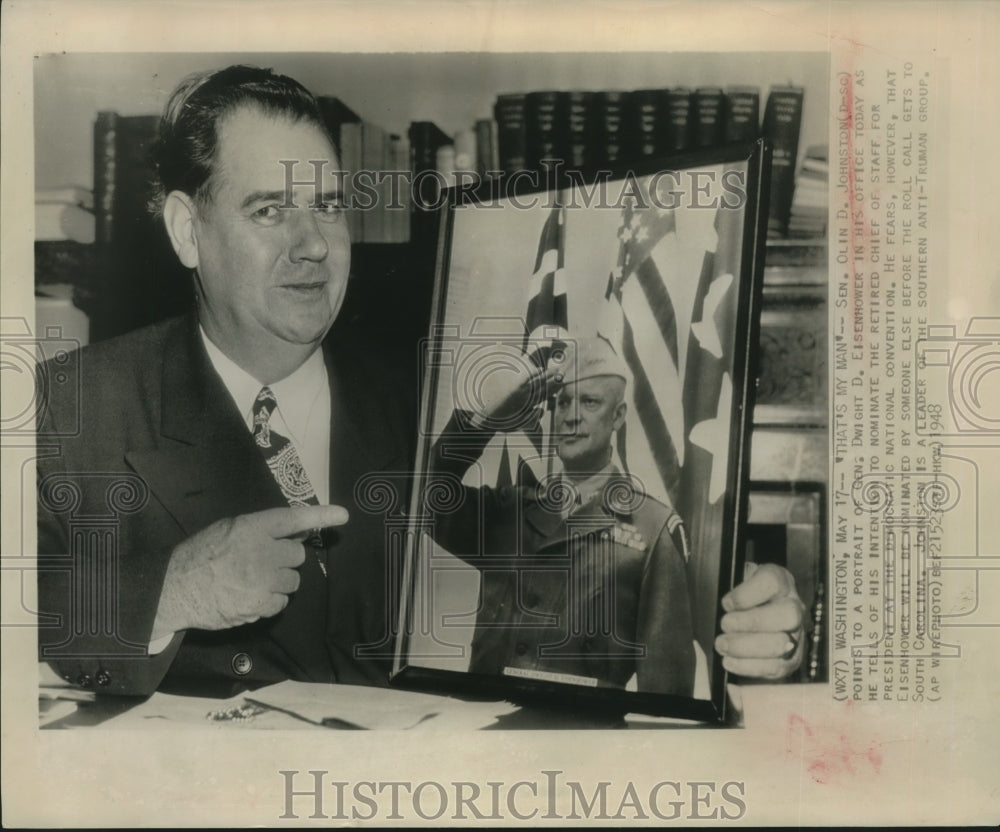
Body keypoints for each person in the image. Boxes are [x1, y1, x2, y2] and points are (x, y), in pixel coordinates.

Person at [36, 64, 804, 700]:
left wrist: (759, 630)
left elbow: (665, 638)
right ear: (185, 229)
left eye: (330, 207)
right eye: (270, 210)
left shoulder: (417, 396)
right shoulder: (71, 408)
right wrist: (173, 592)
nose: (312, 246)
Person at [428, 337, 696, 695]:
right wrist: (483, 419)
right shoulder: (512, 508)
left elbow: (667, 696)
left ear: (618, 416)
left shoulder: (653, 528)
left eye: (589, 402)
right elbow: (419, 500)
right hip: (483, 728)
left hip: (578, 739)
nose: (571, 416)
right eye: (564, 402)